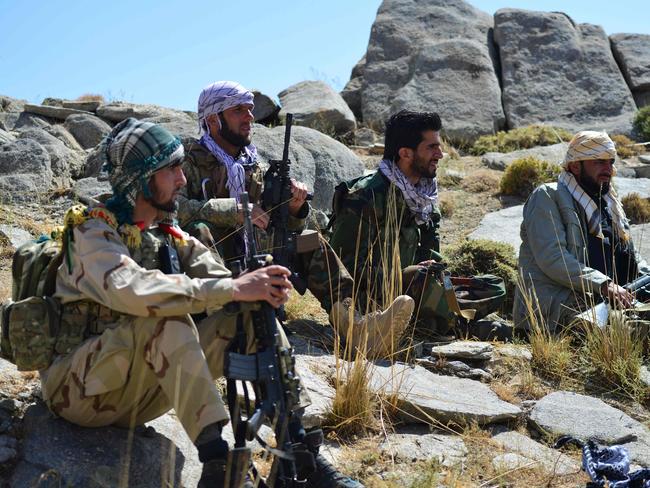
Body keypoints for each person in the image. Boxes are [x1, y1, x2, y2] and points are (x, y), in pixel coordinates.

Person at [39, 118, 362, 487]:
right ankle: (217, 465)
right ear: (141, 179)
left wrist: (259, 289)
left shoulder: (168, 234)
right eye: (171, 169)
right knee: (165, 319)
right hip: (78, 392)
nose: (182, 179)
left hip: (141, 391)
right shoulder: (92, 231)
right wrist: (233, 289)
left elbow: (223, 284)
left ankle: (302, 454)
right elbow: (132, 289)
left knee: (251, 312)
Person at [177, 81, 414, 357]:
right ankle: (224, 326)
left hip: (253, 253)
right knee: (199, 229)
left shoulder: (251, 165)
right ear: (213, 120)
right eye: (238, 111)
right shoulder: (188, 161)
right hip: (210, 261)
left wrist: (293, 209)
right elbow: (175, 208)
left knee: (309, 241)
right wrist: (233, 209)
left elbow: (279, 226)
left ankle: (355, 327)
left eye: (250, 110)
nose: (249, 117)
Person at [328, 110, 457, 337]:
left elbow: (430, 252)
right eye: (431, 147)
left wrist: (429, 270)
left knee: (491, 286)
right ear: (406, 153)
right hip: (368, 298)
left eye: (439, 146)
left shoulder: (425, 199)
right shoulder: (366, 196)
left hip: (412, 286)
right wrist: (403, 276)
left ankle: (444, 318)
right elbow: (341, 268)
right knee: (445, 304)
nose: (440, 154)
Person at [513, 130, 650, 332]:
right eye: (599, 162)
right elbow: (553, 258)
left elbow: (629, 251)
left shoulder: (609, 201)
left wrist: (645, 275)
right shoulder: (548, 197)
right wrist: (604, 285)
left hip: (617, 298)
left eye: (611, 162)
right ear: (575, 165)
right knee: (632, 332)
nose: (608, 169)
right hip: (562, 304)